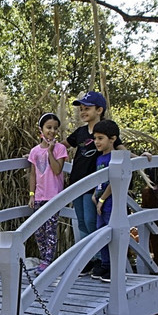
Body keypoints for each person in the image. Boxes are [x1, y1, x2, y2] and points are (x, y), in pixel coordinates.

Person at [61, 91, 124, 276]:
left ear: (99, 110)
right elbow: (63, 145)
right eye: (81, 109)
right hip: (77, 183)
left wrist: (140, 158)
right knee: (81, 222)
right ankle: (87, 259)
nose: (82, 112)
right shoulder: (80, 132)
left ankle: (98, 259)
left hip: (94, 186)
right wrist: (38, 152)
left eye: (87, 108)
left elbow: (122, 151)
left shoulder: (106, 131)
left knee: (91, 222)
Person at [28, 112, 69, 272]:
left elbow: (57, 170)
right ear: (41, 129)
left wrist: (51, 151)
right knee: (39, 232)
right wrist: (31, 194)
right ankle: (44, 258)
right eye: (48, 127)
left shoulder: (60, 149)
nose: (52, 131)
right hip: (39, 196)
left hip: (54, 197)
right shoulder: (34, 151)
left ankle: (47, 261)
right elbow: (33, 174)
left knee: (51, 231)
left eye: (55, 128)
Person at [89, 119, 121, 282]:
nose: (96, 142)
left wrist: (102, 198)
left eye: (100, 138)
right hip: (100, 201)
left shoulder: (114, 157)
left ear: (113, 139)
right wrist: (96, 195)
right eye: (95, 138)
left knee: (112, 233)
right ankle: (105, 265)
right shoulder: (99, 158)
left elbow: (113, 181)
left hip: (111, 202)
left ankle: (115, 267)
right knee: (100, 231)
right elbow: (99, 180)